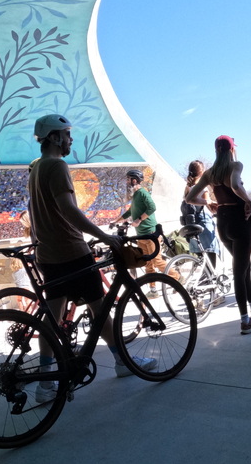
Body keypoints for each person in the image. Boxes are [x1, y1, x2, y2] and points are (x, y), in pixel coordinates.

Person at [28, 114, 155, 401]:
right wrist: (103, 236)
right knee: (100, 308)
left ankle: (45, 384)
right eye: (66, 134)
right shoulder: (57, 165)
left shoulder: (36, 169)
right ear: (54, 137)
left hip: (48, 253)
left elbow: (36, 212)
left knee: (53, 316)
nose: (70, 139)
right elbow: (68, 209)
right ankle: (123, 361)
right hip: (71, 252)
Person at [186, 135, 251, 334]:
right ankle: (245, 320)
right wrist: (247, 201)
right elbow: (235, 185)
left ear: (216, 151)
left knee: (244, 266)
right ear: (231, 150)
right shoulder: (235, 165)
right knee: (239, 271)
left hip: (222, 222)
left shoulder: (210, 173)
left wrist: (209, 202)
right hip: (239, 220)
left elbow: (190, 198)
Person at [115, 168, 171, 296]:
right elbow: (130, 212)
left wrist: (139, 219)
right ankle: (153, 290)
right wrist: (116, 221)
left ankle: (177, 278)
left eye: (128, 179)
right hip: (141, 235)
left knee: (157, 261)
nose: (126, 182)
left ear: (134, 180)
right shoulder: (136, 195)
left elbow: (152, 207)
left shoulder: (142, 192)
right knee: (148, 263)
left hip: (150, 233)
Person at [182, 160, 219, 268]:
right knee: (210, 250)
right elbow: (209, 207)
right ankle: (210, 276)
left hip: (191, 222)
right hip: (203, 221)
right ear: (202, 172)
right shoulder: (203, 188)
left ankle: (202, 275)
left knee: (200, 253)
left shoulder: (188, 187)